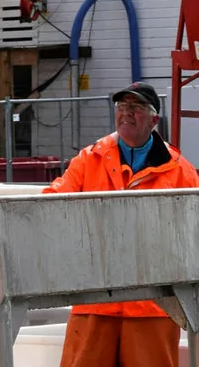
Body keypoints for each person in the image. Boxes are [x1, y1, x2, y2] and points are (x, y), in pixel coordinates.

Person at [43, 82, 199, 367]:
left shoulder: (181, 171)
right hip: (93, 298)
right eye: (122, 107)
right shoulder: (89, 160)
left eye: (136, 108)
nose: (126, 113)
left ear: (153, 120)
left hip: (154, 305)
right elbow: (49, 208)